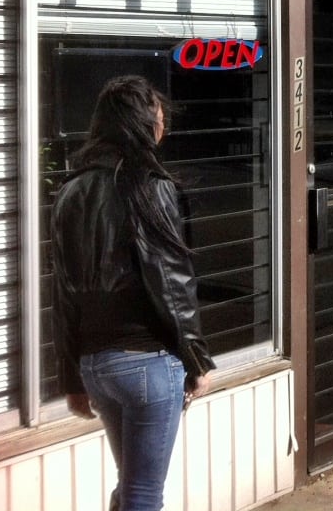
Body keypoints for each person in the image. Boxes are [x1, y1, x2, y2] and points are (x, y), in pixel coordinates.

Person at [51, 75, 215, 511]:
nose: (162, 128)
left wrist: (71, 375)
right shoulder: (151, 185)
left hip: (97, 367)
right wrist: (196, 357)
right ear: (139, 124)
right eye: (157, 119)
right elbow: (173, 281)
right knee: (143, 494)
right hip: (148, 362)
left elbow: (64, 293)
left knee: (132, 487)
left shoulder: (69, 191)